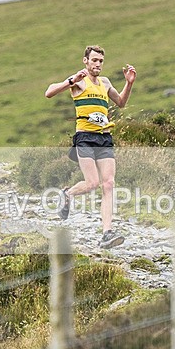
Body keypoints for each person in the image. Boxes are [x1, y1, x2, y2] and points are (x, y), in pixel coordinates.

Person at [44, 45, 137, 249]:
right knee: (92, 183)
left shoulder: (105, 82)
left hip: (104, 137)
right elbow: (49, 92)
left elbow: (120, 103)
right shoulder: (79, 81)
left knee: (109, 184)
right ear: (85, 61)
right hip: (85, 137)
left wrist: (129, 84)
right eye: (94, 60)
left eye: (101, 61)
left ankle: (107, 233)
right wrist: (72, 81)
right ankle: (67, 194)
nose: (98, 64)